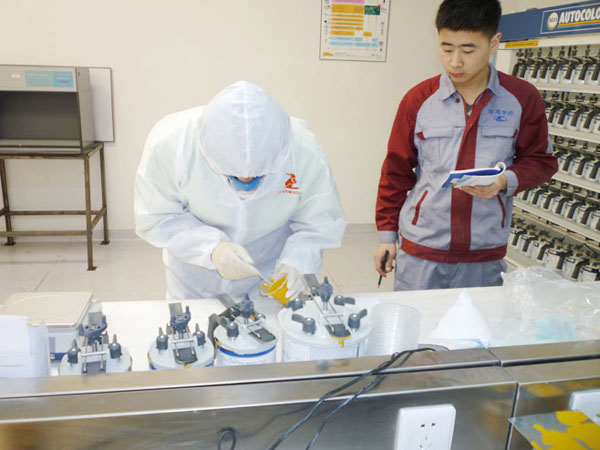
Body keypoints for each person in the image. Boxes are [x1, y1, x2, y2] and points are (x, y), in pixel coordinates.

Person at [374, 0, 557, 290]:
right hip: (422, 250)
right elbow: (395, 171)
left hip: (484, 254)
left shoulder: (522, 98)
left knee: (477, 321)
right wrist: (387, 237)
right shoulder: (418, 100)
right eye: (446, 49)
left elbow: (541, 161)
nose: (455, 62)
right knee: (417, 319)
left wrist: (505, 181)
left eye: (468, 50)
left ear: (494, 43)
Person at [135, 81, 346, 300]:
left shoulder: (304, 152)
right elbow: (158, 217)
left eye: (259, 174)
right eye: (232, 174)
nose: (246, 182)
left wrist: (298, 263)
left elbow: (318, 224)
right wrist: (213, 249)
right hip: (194, 279)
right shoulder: (171, 145)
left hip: (268, 274)